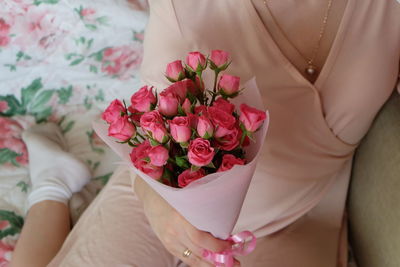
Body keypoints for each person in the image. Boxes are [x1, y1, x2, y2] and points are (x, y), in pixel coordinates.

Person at [10, 0, 400, 266]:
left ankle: (52, 183)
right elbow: (153, 130)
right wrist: (158, 207)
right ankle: (51, 187)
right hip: (163, 197)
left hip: (296, 217)